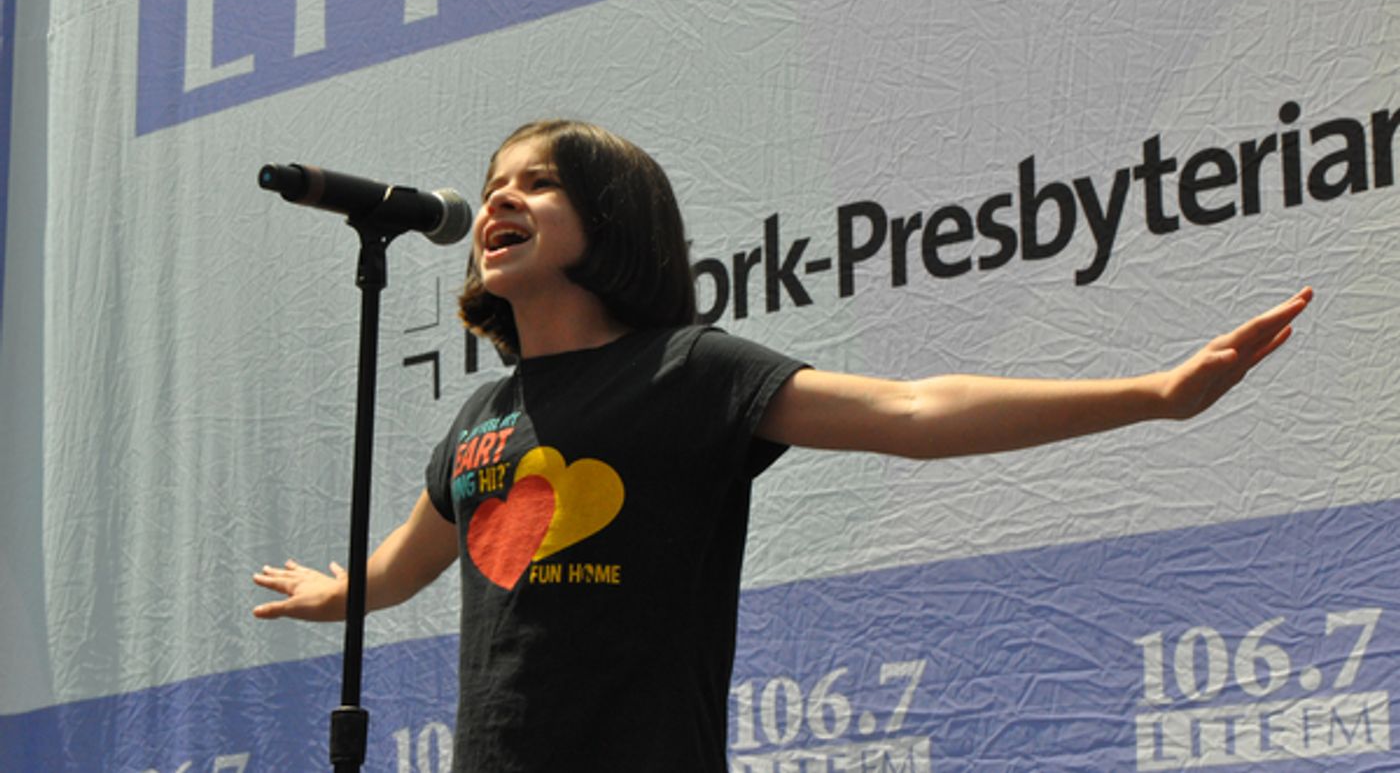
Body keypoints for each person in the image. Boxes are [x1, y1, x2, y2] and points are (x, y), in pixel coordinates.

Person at [253, 120, 1313, 772]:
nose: (500, 198)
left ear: (614, 221)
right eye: (493, 185)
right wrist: (335, 592)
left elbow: (909, 412)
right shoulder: (479, 416)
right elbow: (406, 562)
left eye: (537, 183)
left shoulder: (687, 371)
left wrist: (1154, 395)